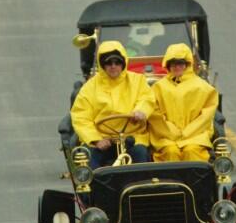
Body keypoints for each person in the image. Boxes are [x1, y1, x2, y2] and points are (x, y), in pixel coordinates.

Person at [70, 40, 155, 169]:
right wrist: (96, 139)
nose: (113, 66)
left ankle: (140, 187)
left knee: (141, 154)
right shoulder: (89, 87)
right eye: (108, 63)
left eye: (117, 62)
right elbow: (80, 117)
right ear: (102, 65)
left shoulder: (137, 81)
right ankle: (93, 188)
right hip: (102, 141)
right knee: (89, 160)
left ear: (123, 63)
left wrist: (141, 111)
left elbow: (147, 99)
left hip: (132, 138)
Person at [149, 43, 219, 162]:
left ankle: (195, 181)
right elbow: (155, 115)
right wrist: (172, 132)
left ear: (187, 64)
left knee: (191, 151)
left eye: (180, 63)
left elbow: (206, 116)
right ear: (168, 65)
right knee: (171, 151)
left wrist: (186, 132)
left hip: (196, 136)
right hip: (167, 138)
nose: (176, 67)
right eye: (173, 63)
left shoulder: (204, 88)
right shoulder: (158, 88)